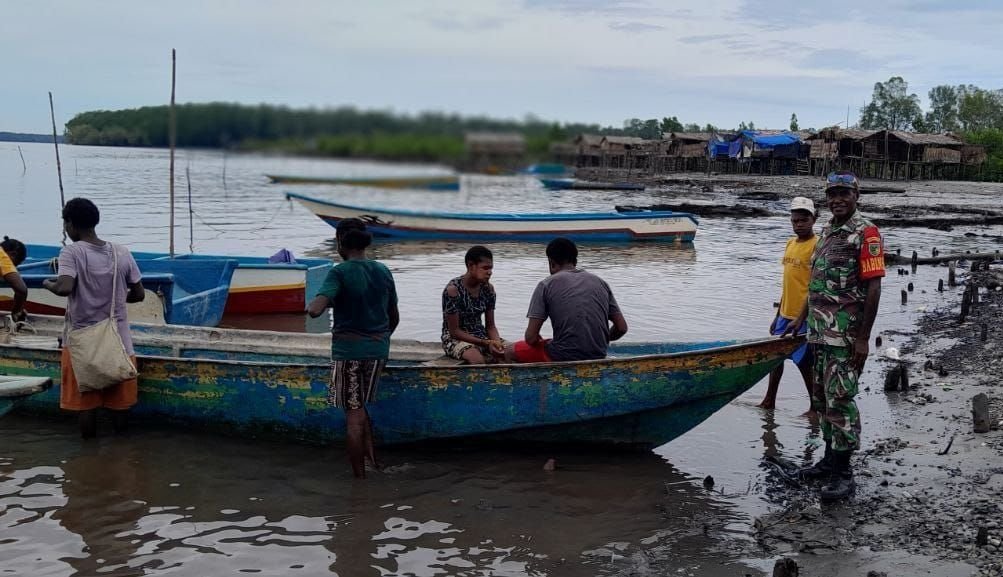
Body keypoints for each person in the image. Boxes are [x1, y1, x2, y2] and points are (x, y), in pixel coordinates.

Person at [786, 172, 883, 502]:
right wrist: (799, 319)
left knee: (841, 400)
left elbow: (873, 286)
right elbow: (816, 282)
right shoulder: (826, 231)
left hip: (844, 336)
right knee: (822, 399)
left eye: (844, 193)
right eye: (832, 193)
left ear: (857, 195)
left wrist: (863, 339)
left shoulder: (865, 232)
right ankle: (828, 462)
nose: (838, 199)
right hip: (817, 334)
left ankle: (843, 473)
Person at [42, 198, 145, 438]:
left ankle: (89, 459)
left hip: (82, 344)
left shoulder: (72, 251)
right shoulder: (121, 252)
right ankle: (121, 456)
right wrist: (116, 301)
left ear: (71, 224)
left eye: (65, 224)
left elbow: (64, 287)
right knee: (120, 407)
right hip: (118, 343)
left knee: (86, 406)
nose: (66, 230)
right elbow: (139, 294)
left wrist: (48, 284)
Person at [308, 218, 399, 479]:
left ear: (340, 242)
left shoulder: (340, 272)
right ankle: (373, 462)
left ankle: (359, 481)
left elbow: (315, 310)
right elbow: (393, 317)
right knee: (361, 408)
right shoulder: (382, 270)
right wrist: (379, 340)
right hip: (378, 351)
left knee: (353, 416)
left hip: (349, 353)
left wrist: (314, 302)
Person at [507, 237, 627, 363]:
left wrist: (538, 341)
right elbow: (622, 328)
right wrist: (600, 339)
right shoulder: (600, 282)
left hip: (562, 355)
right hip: (599, 354)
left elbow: (530, 338)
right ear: (575, 260)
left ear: (551, 262)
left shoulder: (546, 285)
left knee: (509, 351)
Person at [758, 197, 817, 413]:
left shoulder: (817, 246)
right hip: (785, 313)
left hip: (803, 316)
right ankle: (769, 399)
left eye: (803, 220)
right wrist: (777, 315)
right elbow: (787, 283)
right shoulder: (790, 243)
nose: (799, 224)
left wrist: (801, 317)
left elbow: (814, 287)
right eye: (795, 221)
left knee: (803, 362)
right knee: (776, 358)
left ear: (814, 219)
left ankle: (814, 406)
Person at [441, 245, 504, 364]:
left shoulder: (488, 290)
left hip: (481, 336)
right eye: (485, 268)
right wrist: (485, 343)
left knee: (509, 353)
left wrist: (496, 343)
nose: (490, 272)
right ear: (471, 266)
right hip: (455, 339)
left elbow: (490, 326)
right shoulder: (453, 291)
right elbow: (455, 331)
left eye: (491, 268)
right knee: (477, 359)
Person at [1, 236, 28, 323]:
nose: (14, 268)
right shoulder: (2, 256)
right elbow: (21, 290)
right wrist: (16, 311)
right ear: (13, 254)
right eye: (16, 264)